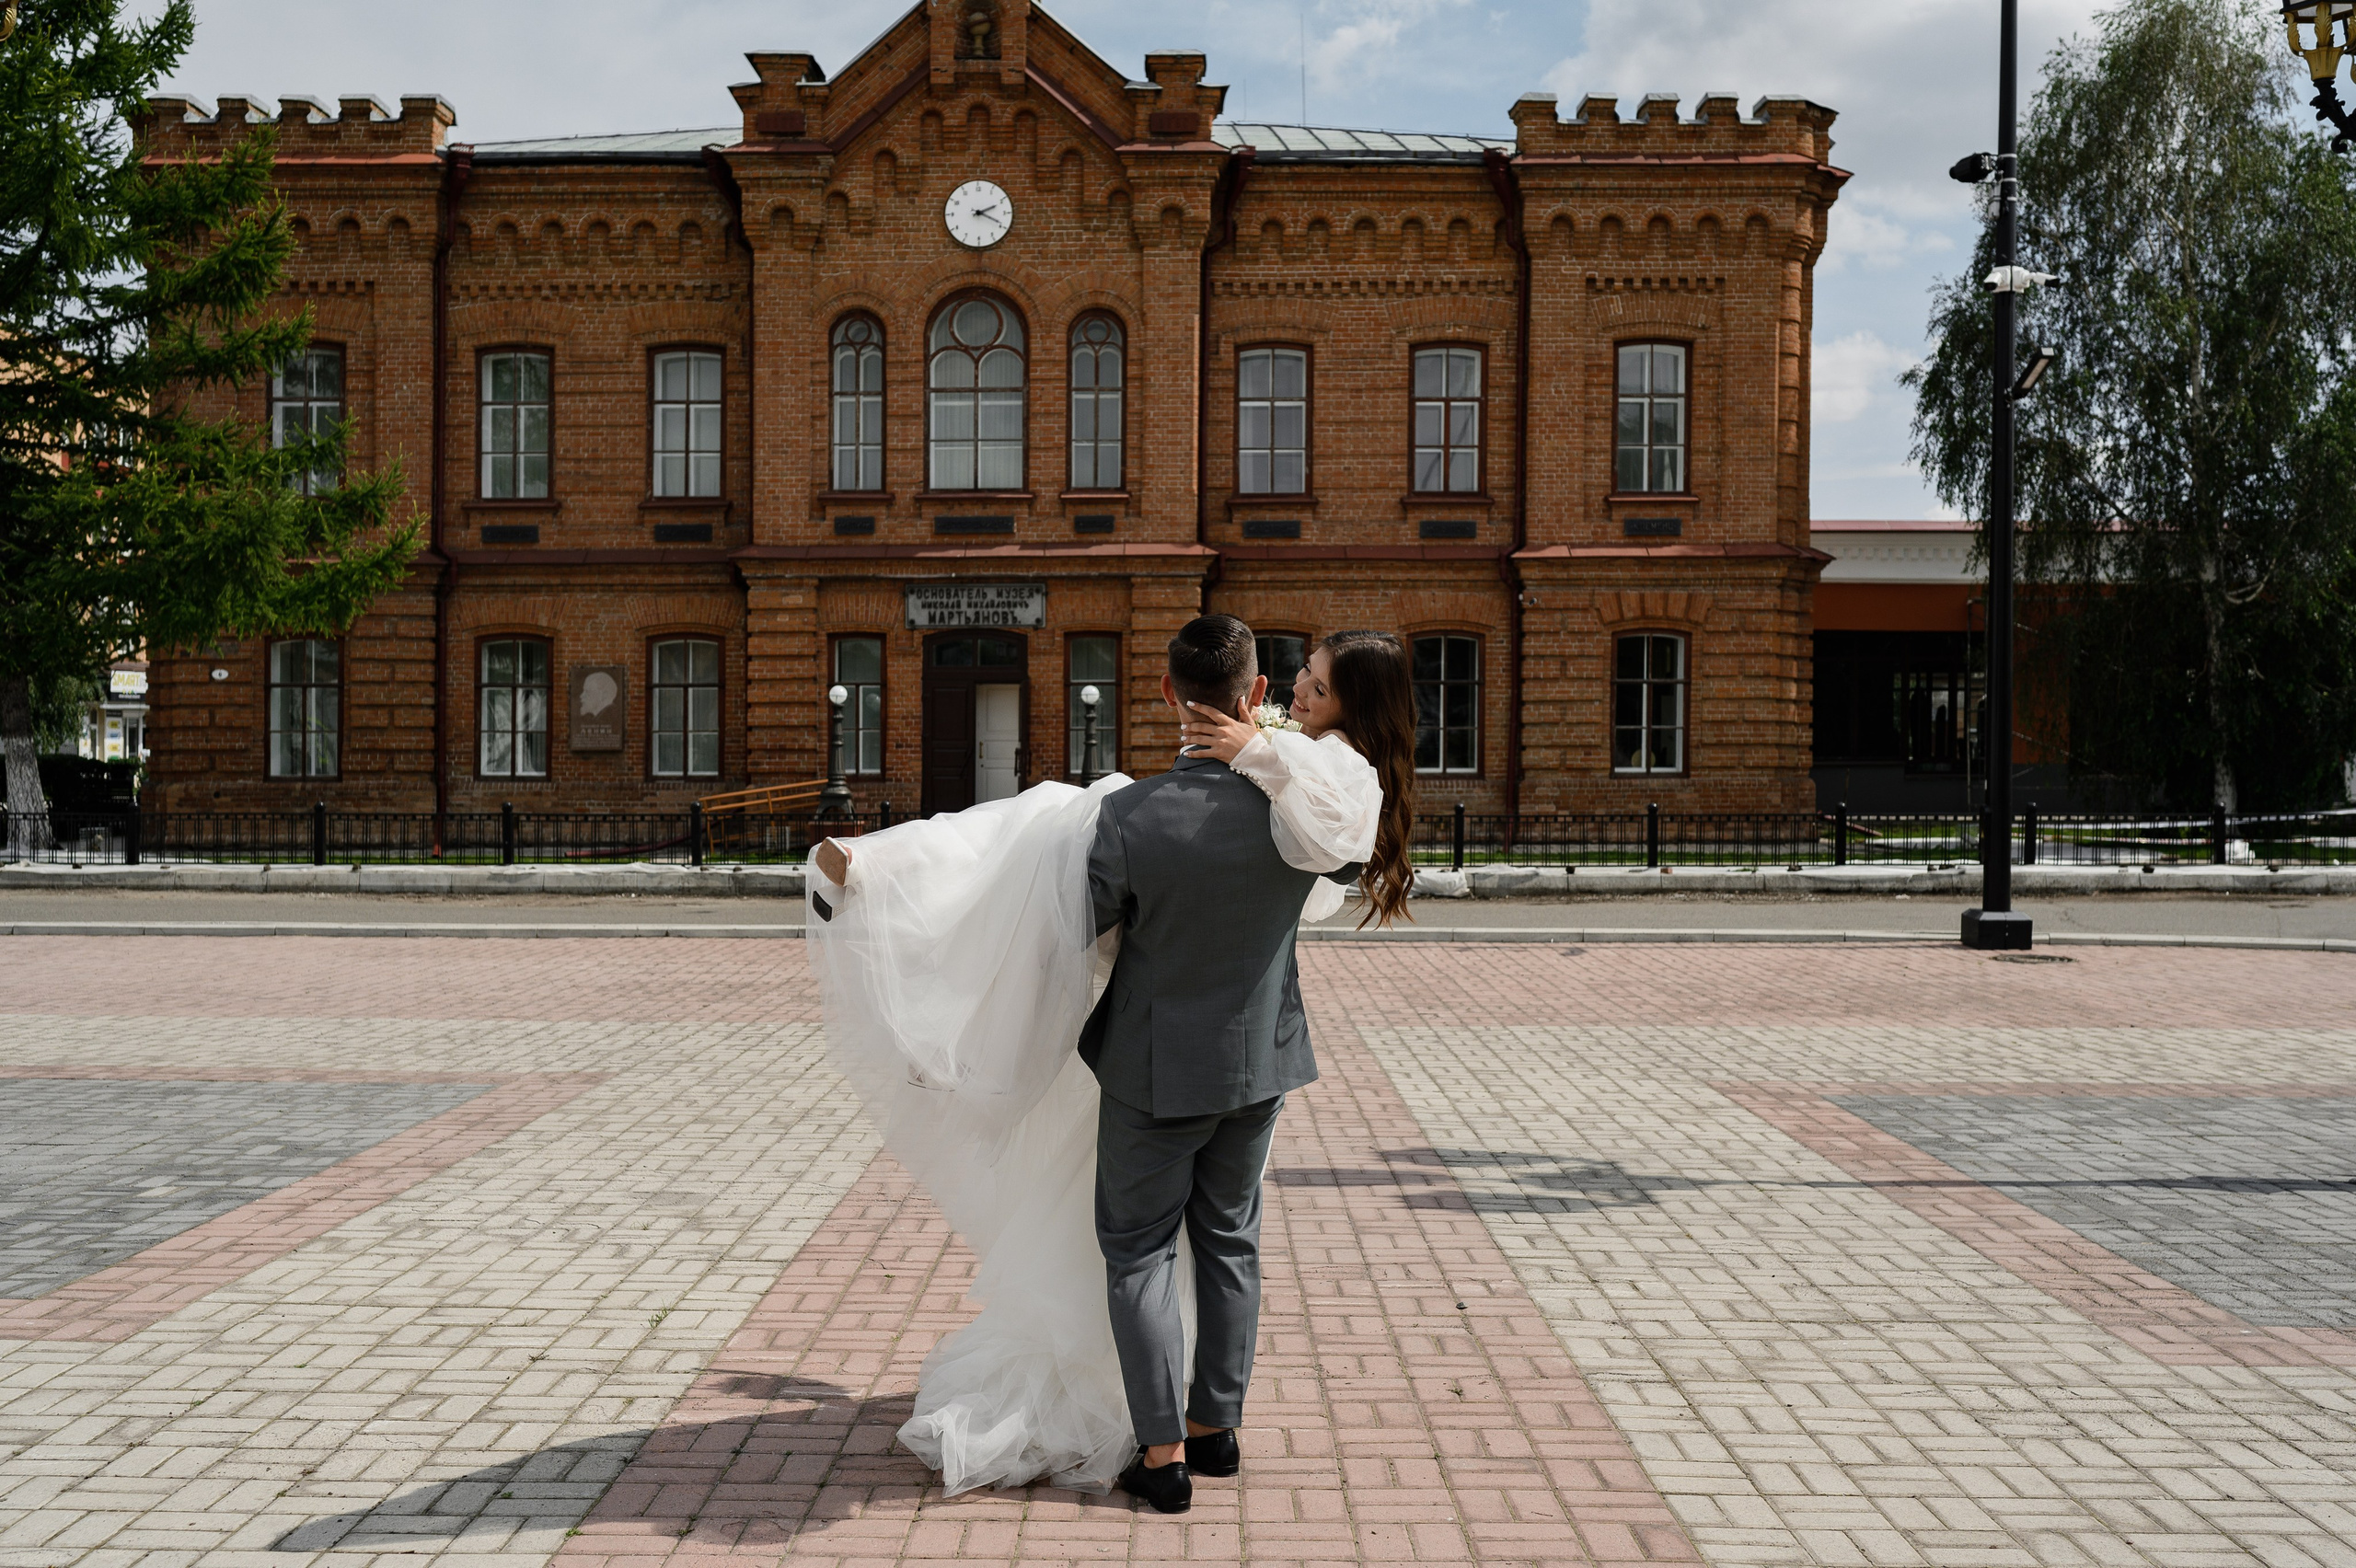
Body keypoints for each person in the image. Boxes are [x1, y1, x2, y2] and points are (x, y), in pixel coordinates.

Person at [803, 618, 1417, 1508]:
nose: (1293, 701)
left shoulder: (1128, 817)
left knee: (1135, 1255)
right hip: (1259, 1065)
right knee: (1230, 1242)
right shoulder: (1311, 815)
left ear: (1168, 695)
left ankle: (1161, 1460)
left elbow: (1063, 945)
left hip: (1154, 1074)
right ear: (1254, 700)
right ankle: (1216, 1435)